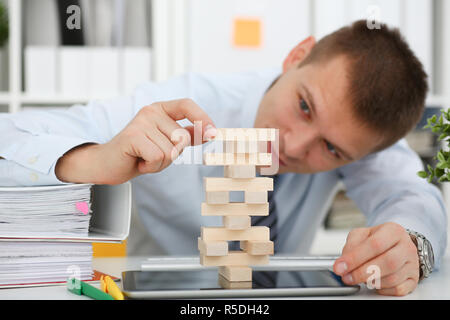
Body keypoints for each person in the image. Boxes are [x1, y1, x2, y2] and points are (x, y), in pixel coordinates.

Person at [0, 20, 446, 296]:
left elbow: (412, 194)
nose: (293, 145)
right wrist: (95, 160)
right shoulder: (183, 102)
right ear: (297, 56)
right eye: (304, 106)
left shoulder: (360, 137)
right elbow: (10, 135)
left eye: (330, 149)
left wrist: (410, 246)